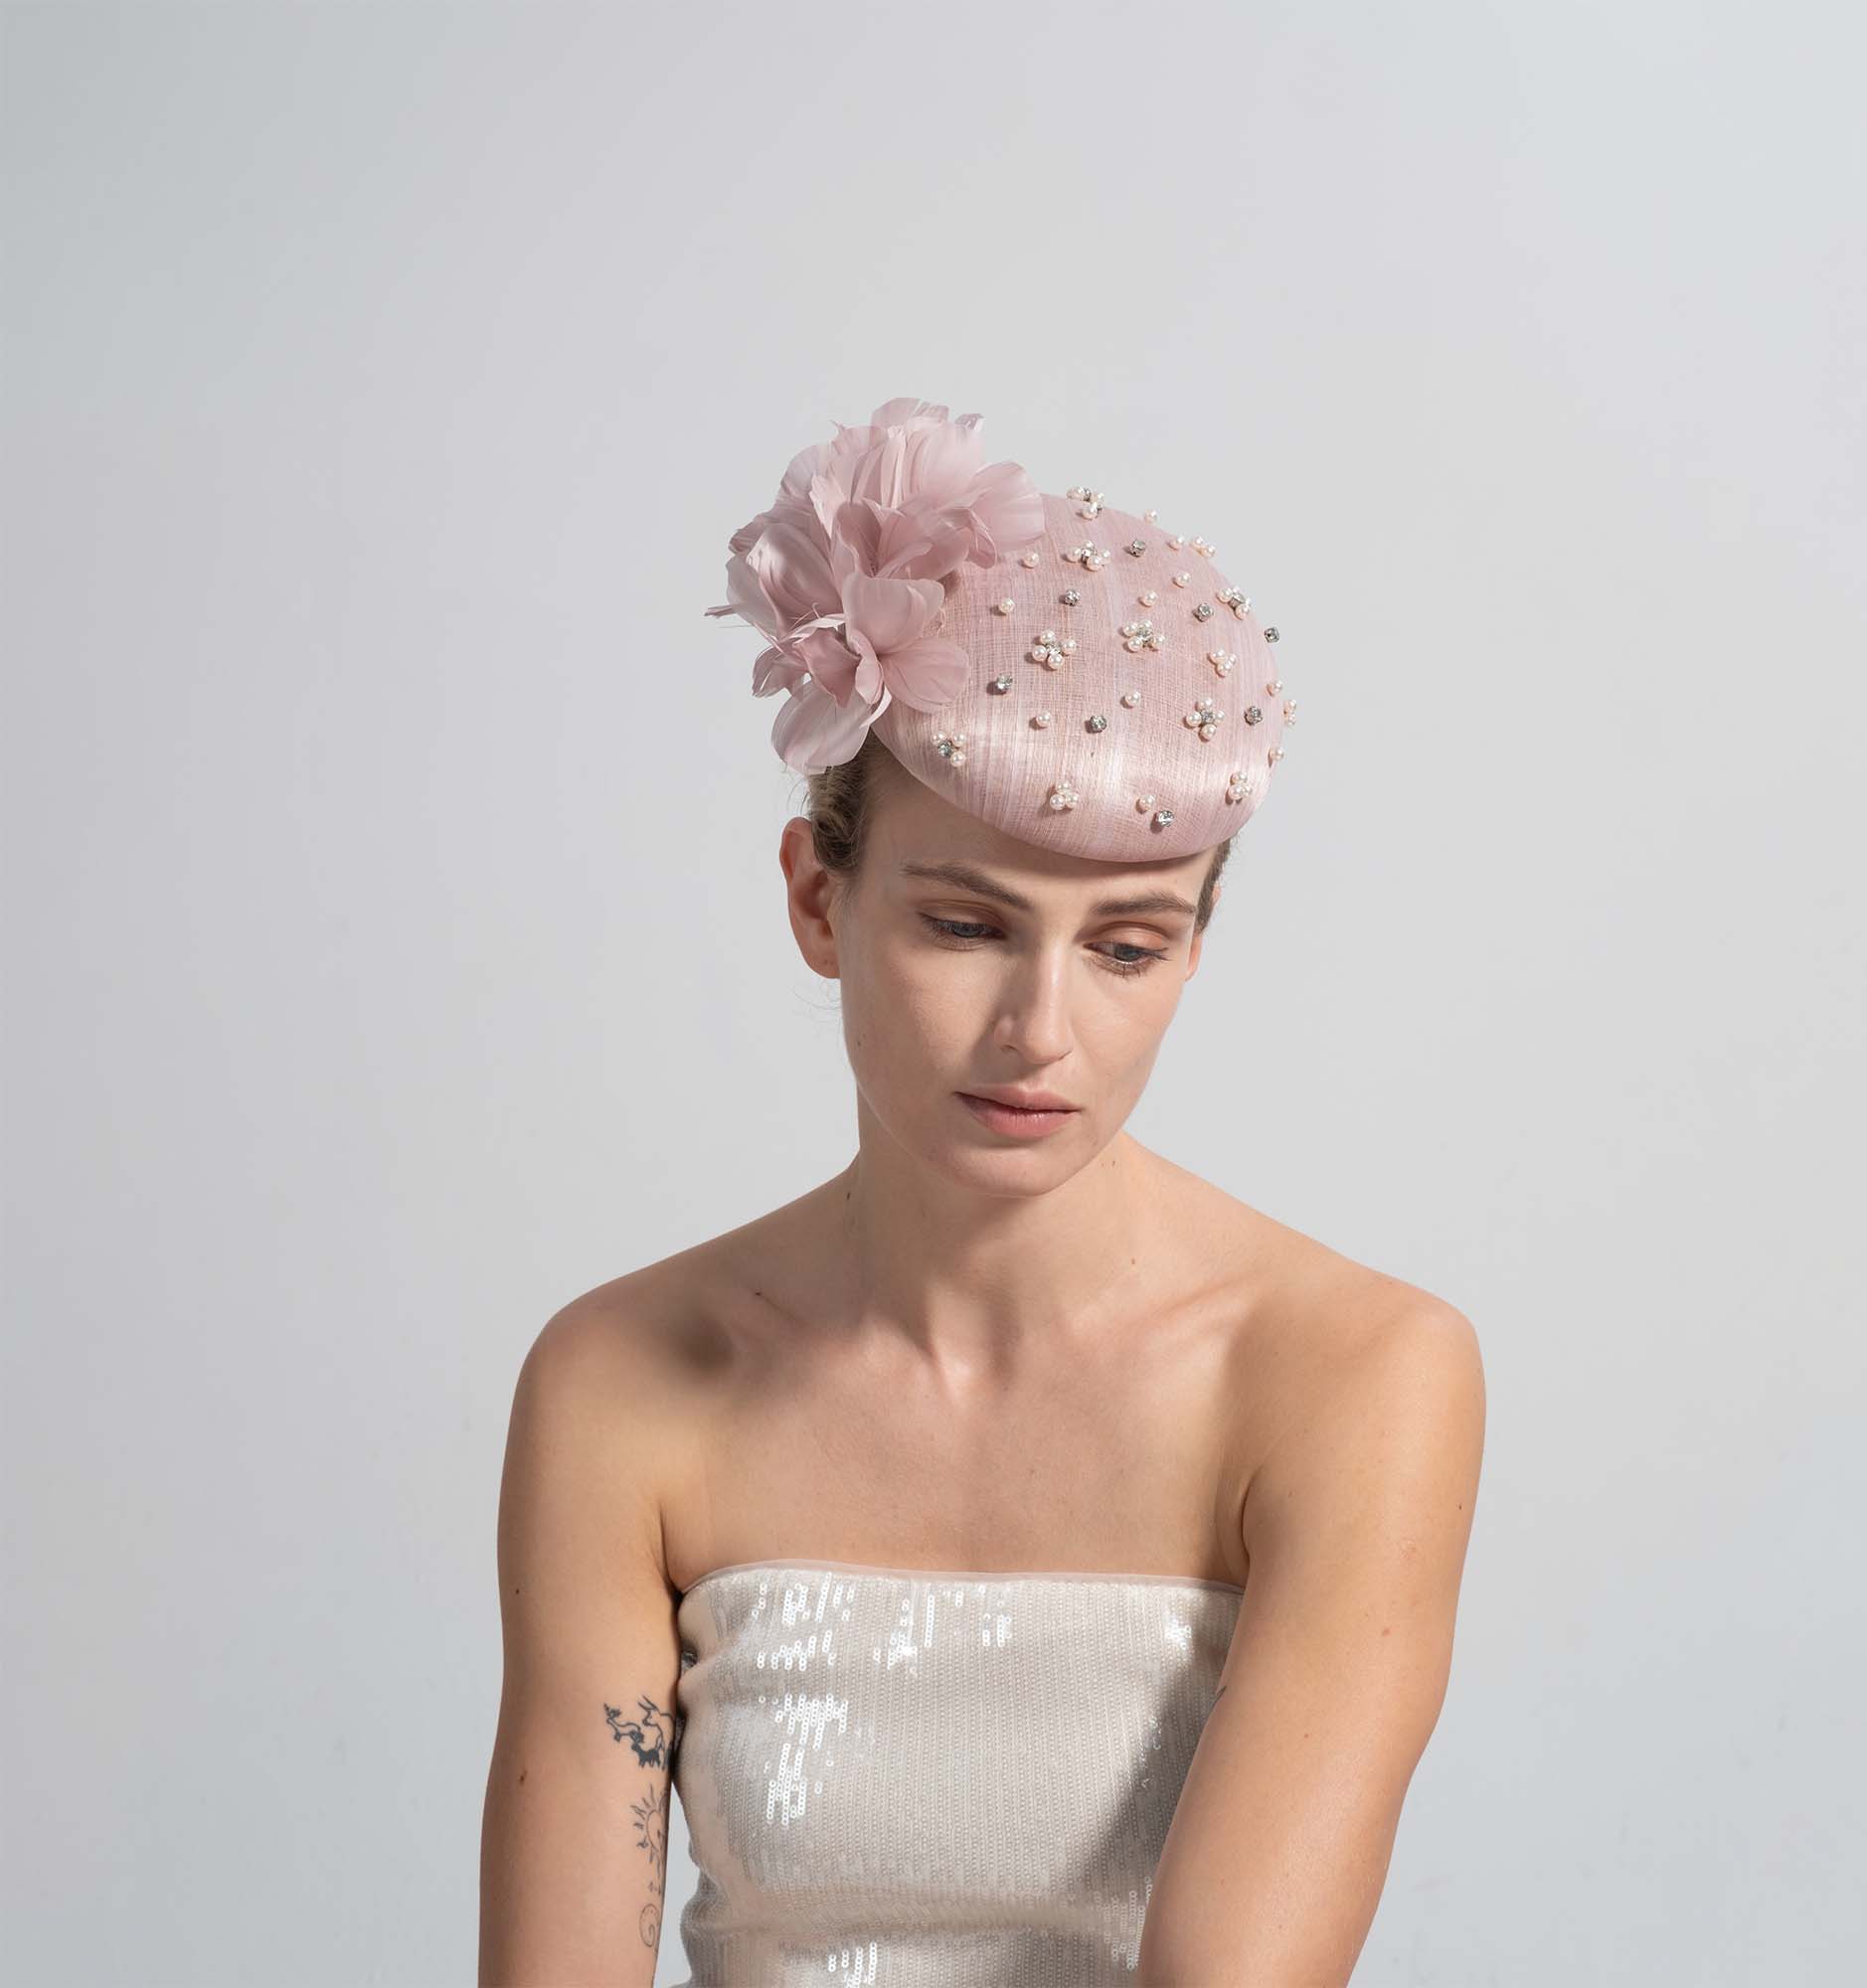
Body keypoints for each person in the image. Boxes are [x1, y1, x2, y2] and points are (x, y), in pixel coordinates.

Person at [478, 399, 1486, 1988]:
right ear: (819, 900)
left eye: (1128, 946)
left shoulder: (1351, 1377)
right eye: (965, 925)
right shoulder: (623, 1380)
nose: (1040, 1030)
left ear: (1195, 950)